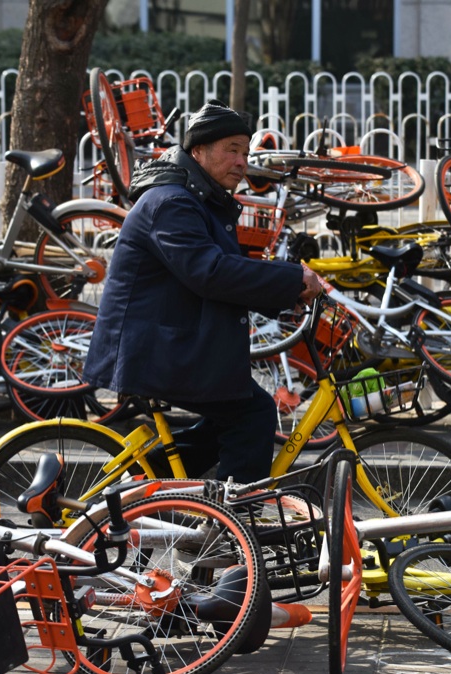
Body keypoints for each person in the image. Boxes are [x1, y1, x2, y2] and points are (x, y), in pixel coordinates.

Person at [84, 100, 326, 483]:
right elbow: (210, 272)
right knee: (253, 414)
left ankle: (133, 488)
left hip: (171, 345)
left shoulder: (195, 200)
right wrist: (290, 278)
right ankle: (237, 523)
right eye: (232, 150)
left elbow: (224, 276)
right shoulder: (172, 202)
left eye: (246, 153)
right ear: (198, 150)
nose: (242, 162)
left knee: (231, 420)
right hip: (151, 350)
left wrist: (289, 294)